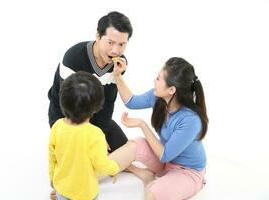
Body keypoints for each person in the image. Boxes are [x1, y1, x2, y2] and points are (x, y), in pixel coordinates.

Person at [108, 57, 208, 200]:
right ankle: (88, 176)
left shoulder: (190, 120)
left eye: (158, 78)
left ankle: (155, 181)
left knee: (152, 193)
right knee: (135, 144)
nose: (154, 81)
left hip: (187, 172)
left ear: (171, 90)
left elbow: (165, 155)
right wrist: (117, 75)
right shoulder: (158, 97)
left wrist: (142, 125)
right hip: (165, 161)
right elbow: (131, 101)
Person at [48, 11, 133, 152]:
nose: (115, 50)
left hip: (94, 113)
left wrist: (101, 133)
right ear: (98, 36)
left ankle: (128, 167)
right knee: (80, 153)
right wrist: (92, 137)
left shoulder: (119, 65)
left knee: (122, 147)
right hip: (65, 115)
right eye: (110, 42)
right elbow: (66, 105)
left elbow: (108, 103)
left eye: (122, 44)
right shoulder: (73, 57)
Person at [49, 71, 120, 200]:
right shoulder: (95, 134)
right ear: (95, 109)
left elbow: (52, 157)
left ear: (63, 101)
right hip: (85, 194)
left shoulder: (57, 126)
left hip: (61, 189)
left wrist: (52, 177)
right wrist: (114, 169)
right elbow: (100, 163)